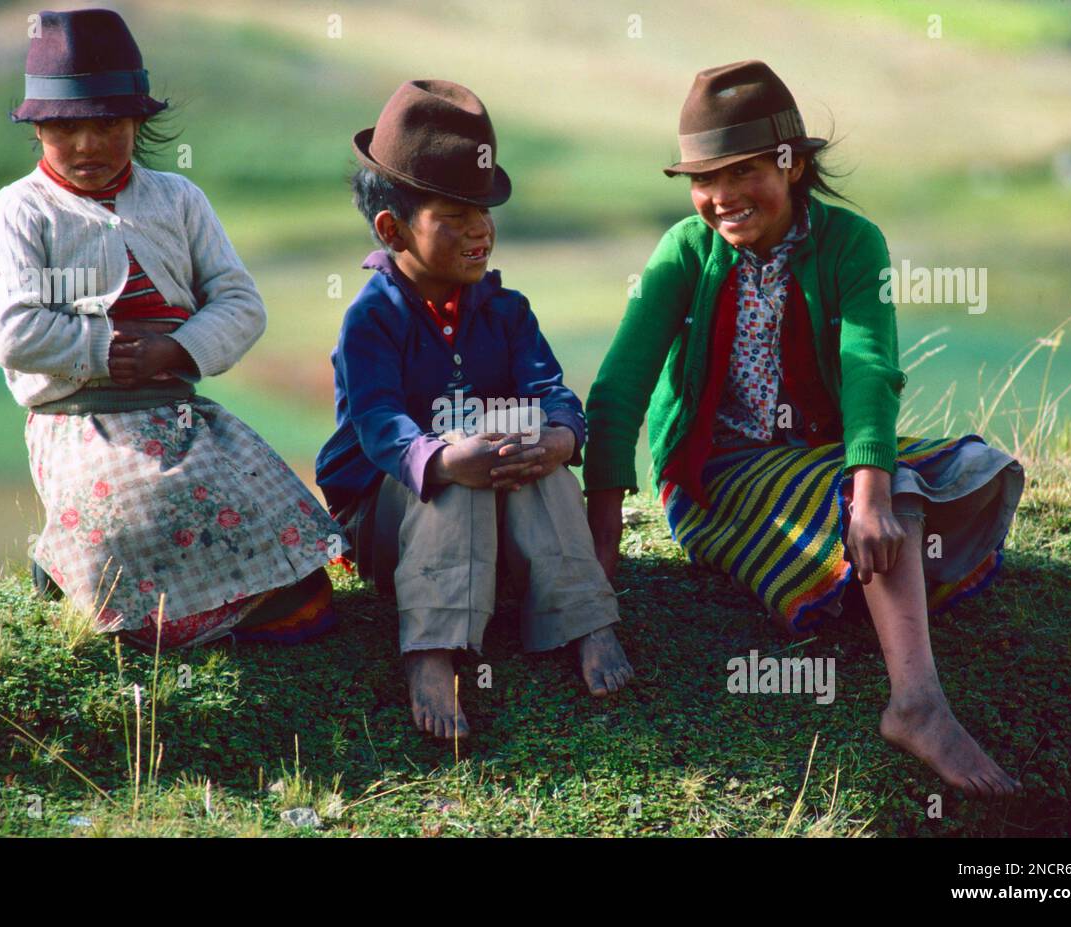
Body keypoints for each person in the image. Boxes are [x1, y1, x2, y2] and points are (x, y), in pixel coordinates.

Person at [582, 61, 1025, 797]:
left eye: (744, 170)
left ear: (796, 166)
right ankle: (917, 703)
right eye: (703, 180)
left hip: (818, 453)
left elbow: (868, 363)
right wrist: (604, 533)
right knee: (894, 500)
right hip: (715, 472)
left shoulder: (852, 242)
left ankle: (871, 567)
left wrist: (871, 485)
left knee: (966, 469)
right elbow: (619, 384)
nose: (720, 197)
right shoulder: (685, 254)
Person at [0, 9, 342, 651]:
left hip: (178, 411)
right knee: (136, 515)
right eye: (65, 127)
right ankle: (73, 571)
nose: (87, 144)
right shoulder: (21, 210)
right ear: (37, 128)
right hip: (81, 417)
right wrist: (106, 354)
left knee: (282, 542)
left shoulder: (177, 200)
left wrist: (176, 349)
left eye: (108, 124)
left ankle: (195, 610)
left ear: (138, 123)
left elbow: (240, 302)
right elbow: (14, 330)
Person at [316, 80, 634, 738]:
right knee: (450, 470)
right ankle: (433, 650)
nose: (479, 230)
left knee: (533, 452)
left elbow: (553, 392)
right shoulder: (373, 317)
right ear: (392, 227)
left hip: (494, 502)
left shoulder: (508, 311)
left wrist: (558, 440)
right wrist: (444, 458)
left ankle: (586, 621)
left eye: (483, 212)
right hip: (390, 515)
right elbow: (380, 427)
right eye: (453, 216)